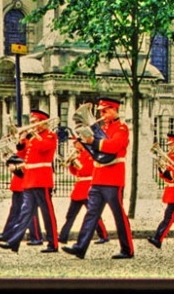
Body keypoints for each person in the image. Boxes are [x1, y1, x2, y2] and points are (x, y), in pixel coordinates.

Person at [62, 97, 135, 260]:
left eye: (105, 111)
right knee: (92, 213)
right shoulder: (102, 129)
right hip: (98, 177)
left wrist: (92, 141)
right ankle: (80, 247)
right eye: (101, 111)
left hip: (113, 177)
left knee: (118, 215)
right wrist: (86, 142)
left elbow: (114, 146)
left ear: (115, 110)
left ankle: (127, 249)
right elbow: (96, 150)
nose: (102, 114)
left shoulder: (121, 128)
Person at [0, 109, 60, 254]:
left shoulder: (50, 135)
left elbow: (43, 148)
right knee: (25, 212)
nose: (31, 125)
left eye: (34, 122)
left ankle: (53, 243)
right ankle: (14, 241)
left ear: (43, 123)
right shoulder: (33, 138)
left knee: (47, 213)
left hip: (41, 178)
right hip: (29, 179)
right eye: (31, 122)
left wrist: (31, 136)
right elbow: (21, 155)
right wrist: (20, 142)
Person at [57, 136, 109, 246]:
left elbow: (85, 170)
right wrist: (71, 164)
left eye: (76, 143)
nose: (74, 145)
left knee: (93, 214)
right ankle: (63, 236)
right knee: (70, 215)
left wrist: (74, 161)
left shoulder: (90, 154)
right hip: (79, 188)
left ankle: (103, 235)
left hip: (87, 187)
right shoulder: (79, 155)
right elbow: (75, 172)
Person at [0, 154, 44, 245]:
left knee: (30, 213)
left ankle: (36, 236)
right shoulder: (23, 148)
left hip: (26, 185)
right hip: (18, 186)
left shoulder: (30, 147)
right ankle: (8, 234)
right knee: (15, 212)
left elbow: (26, 164)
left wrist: (14, 164)